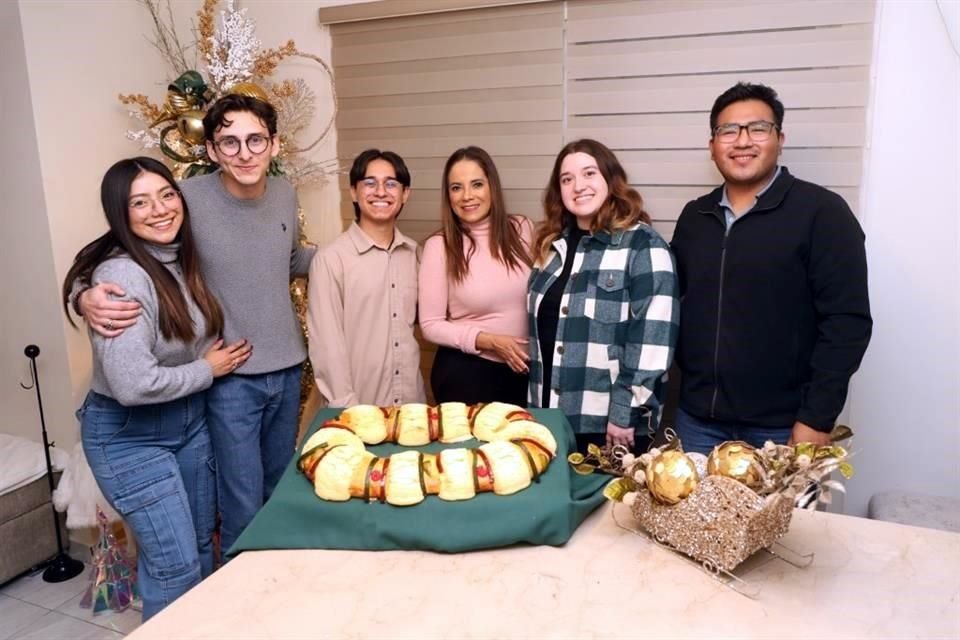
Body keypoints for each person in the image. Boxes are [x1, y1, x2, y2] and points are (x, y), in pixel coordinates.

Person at [74, 94, 315, 557]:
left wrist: (351, 255)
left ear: (275, 145)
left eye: (255, 140)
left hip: (288, 367)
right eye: (229, 142)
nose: (244, 153)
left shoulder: (285, 194)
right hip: (229, 376)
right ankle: (243, 605)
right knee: (241, 501)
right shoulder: (186, 199)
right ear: (211, 151)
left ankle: (279, 590)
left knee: (279, 488)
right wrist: (83, 294)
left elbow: (289, 261)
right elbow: (120, 246)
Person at [62, 157, 252, 620]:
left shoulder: (181, 256)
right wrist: (208, 369)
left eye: (167, 194)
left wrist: (79, 291)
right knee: (175, 565)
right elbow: (133, 384)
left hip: (188, 425)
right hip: (131, 437)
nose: (160, 209)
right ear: (119, 214)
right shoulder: (124, 276)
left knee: (201, 547)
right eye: (139, 202)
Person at [670, 82, 872, 455]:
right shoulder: (695, 217)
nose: (742, 141)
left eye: (757, 128)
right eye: (728, 130)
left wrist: (816, 418)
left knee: (784, 518)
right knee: (690, 515)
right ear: (712, 145)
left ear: (780, 138)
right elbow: (668, 304)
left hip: (782, 428)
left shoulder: (822, 213)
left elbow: (847, 324)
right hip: (696, 422)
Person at [528, 139, 679, 453]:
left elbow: (653, 340)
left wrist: (624, 413)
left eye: (589, 174)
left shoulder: (642, 245)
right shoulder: (550, 248)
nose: (578, 186)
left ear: (610, 180)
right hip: (547, 420)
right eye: (566, 179)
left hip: (610, 427)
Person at [307, 149, 426, 407]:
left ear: (405, 194)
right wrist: (346, 409)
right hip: (357, 409)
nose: (381, 192)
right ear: (353, 191)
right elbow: (326, 347)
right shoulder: (331, 260)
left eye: (391, 184)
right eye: (369, 183)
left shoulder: (415, 255)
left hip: (411, 407)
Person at [419, 146, 534, 406]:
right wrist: (490, 341)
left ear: (492, 186)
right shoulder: (440, 245)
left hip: (525, 373)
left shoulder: (522, 229)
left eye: (477, 184)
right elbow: (430, 324)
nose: (467, 196)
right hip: (469, 375)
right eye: (456, 187)